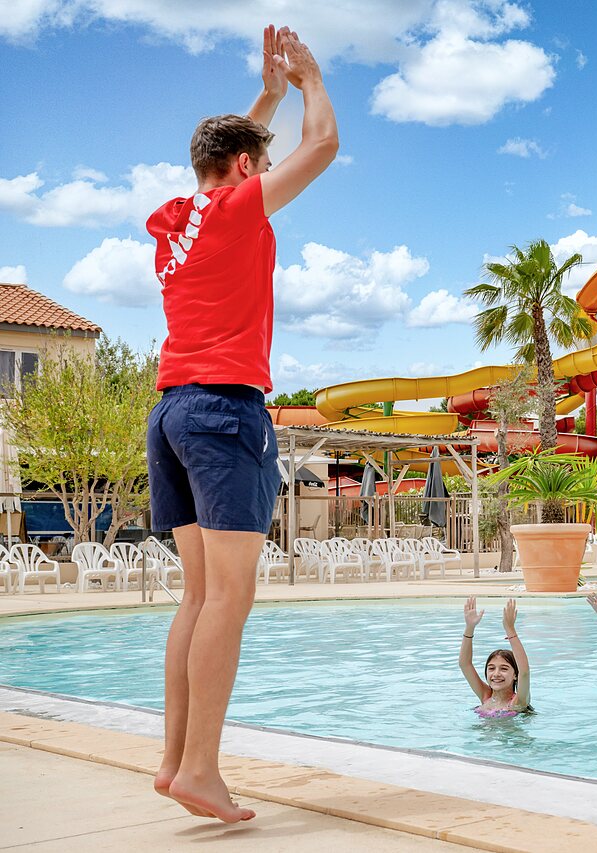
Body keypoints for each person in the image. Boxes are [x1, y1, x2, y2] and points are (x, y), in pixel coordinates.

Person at [144, 25, 338, 822]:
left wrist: (264, 96)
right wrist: (310, 82)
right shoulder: (232, 210)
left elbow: (225, 156)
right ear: (248, 169)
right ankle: (200, 768)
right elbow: (322, 145)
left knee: (198, 595)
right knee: (232, 595)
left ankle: (174, 760)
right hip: (226, 409)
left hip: (169, 410)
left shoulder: (171, 220)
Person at [459, 598, 532, 718]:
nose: (496, 674)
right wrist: (469, 627)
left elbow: (524, 672)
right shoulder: (486, 696)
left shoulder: (518, 702)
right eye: (491, 668)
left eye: (504, 669)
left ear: (515, 675)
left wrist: (510, 630)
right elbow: (464, 664)